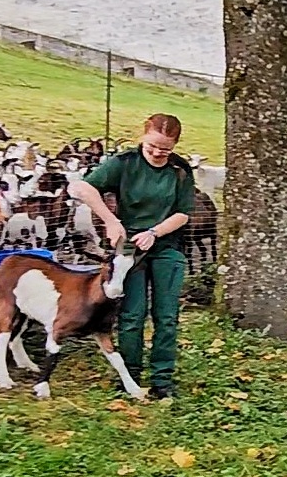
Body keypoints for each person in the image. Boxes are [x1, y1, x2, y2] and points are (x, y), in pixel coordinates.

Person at [70, 114, 194, 400]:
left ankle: (163, 379)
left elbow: (183, 213)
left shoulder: (180, 170)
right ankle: (130, 375)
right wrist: (111, 221)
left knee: (166, 315)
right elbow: (80, 188)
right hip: (128, 244)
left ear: (175, 145)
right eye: (152, 145)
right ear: (143, 137)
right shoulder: (125, 163)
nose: (157, 152)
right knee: (131, 312)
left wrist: (155, 232)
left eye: (165, 148)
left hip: (167, 244)